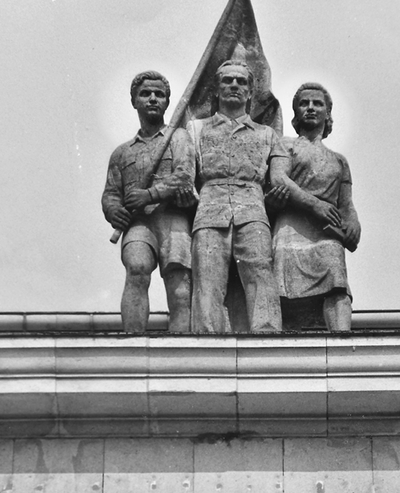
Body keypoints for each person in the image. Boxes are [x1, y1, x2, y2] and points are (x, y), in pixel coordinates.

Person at [187, 60, 289, 333]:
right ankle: (207, 341)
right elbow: (185, 175)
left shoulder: (268, 134)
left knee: (260, 273)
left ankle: (267, 337)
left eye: (241, 81)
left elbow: (280, 178)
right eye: (227, 80)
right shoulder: (195, 130)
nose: (234, 85)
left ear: (250, 92)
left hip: (252, 210)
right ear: (217, 90)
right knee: (207, 279)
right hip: (210, 209)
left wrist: (280, 192)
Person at [102, 71, 195, 333]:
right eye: (146, 94)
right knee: (137, 268)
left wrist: (151, 194)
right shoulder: (122, 152)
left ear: (167, 102)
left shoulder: (178, 138)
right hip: (139, 223)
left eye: (159, 94)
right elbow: (111, 192)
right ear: (134, 101)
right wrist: (114, 211)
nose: (153, 99)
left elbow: (185, 175)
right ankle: (133, 339)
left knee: (179, 284)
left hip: (172, 219)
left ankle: (182, 346)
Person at [270, 82, 361, 332]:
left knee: (337, 283)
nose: (310, 108)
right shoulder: (286, 146)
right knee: (281, 291)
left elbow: (346, 204)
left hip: (326, 234)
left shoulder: (339, 161)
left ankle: (342, 339)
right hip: (290, 230)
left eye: (317, 104)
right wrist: (314, 204)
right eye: (304, 103)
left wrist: (353, 222)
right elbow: (279, 179)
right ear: (296, 112)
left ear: (327, 113)